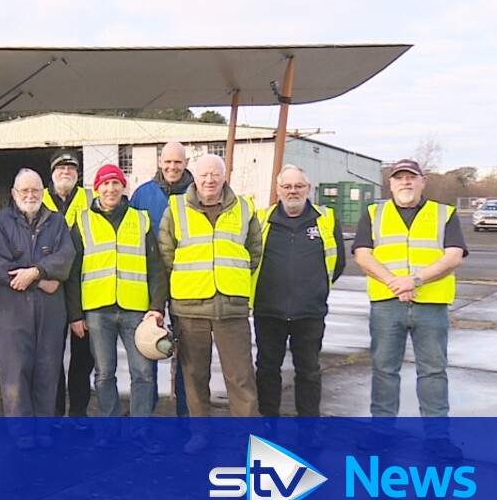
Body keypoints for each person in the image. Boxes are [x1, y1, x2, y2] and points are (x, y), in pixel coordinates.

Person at [353, 159, 466, 461]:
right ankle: (381, 432)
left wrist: (414, 280)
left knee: (432, 371)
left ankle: (437, 438)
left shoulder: (445, 214)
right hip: (386, 304)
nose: (405, 183)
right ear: (389, 184)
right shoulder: (374, 213)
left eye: (411, 178)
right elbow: (362, 254)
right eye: (399, 178)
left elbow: (454, 256)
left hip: (431, 305)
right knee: (384, 370)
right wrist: (394, 282)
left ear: (422, 182)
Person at [152, 153, 262, 454]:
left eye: (215, 174)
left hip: (231, 306)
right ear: (195, 177)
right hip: (189, 307)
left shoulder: (244, 208)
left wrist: (230, 279)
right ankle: (200, 433)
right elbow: (166, 255)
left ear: (224, 176)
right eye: (203, 175)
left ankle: (247, 438)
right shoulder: (176, 209)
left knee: (240, 376)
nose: (209, 180)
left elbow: (254, 253)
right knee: (194, 375)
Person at [67, 164, 164, 454]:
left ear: (124, 187)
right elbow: (72, 273)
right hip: (97, 311)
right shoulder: (82, 222)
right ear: (96, 189)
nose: (110, 189)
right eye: (104, 184)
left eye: (115, 183)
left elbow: (156, 268)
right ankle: (108, 431)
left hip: (137, 311)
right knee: (104, 373)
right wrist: (75, 314)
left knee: (143, 373)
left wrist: (157, 307)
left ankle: (140, 432)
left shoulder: (141, 219)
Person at [252, 165, 344, 441]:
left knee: (309, 371)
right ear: (278, 190)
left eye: (299, 186)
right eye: (287, 186)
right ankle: (269, 424)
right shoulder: (261, 220)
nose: (293, 191)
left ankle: (309, 428)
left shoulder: (325, 219)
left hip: (309, 312)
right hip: (269, 311)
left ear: (308, 189)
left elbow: (337, 263)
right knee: (268, 369)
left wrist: (315, 290)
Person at [0, 169, 75, 450]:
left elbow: (66, 257)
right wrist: (42, 279)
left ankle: (44, 428)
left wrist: (37, 270)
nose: (30, 195)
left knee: (47, 370)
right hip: (11, 310)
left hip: (50, 312)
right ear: (14, 194)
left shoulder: (57, 222)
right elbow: (1, 266)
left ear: (43, 192)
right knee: (15, 371)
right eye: (24, 191)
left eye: (35, 190)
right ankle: (22, 432)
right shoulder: (1, 222)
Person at [129, 140, 193, 418]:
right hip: (150, 284)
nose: (172, 167)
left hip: (188, 285)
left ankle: (186, 413)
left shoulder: (199, 194)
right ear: (159, 162)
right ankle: (147, 409)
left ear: (186, 163)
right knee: (150, 344)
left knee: (188, 353)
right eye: (167, 161)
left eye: (177, 162)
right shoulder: (143, 195)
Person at [42, 149, 93, 430]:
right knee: (52, 355)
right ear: (52, 173)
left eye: (71, 168)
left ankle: (79, 412)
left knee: (83, 358)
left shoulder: (90, 199)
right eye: (60, 168)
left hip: (84, 287)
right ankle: (55, 411)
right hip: (50, 289)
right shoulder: (39, 198)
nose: (66, 172)